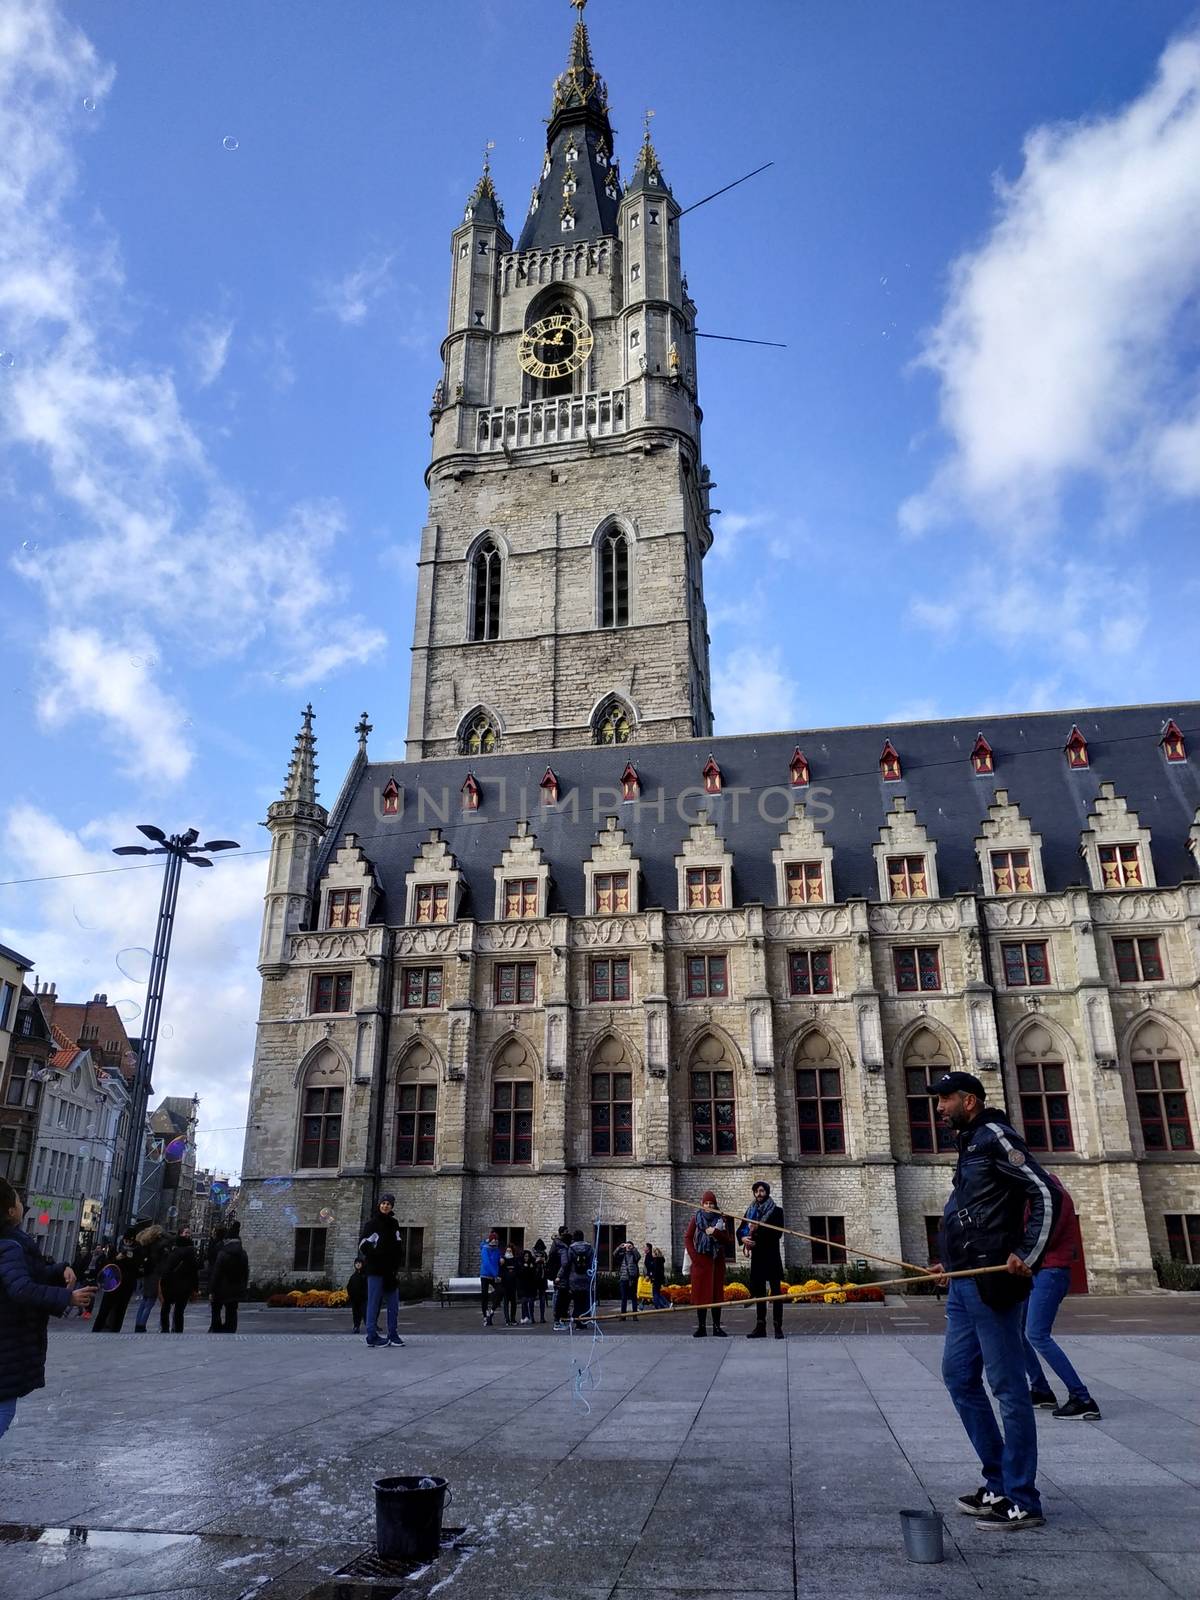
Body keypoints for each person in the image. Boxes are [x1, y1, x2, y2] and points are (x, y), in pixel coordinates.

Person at [931, 1071, 1057, 1532]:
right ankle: (998, 1479)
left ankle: (1023, 1496)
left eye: (945, 1099)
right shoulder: (970, 1144)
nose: (939, 1107)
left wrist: (1027, 1254)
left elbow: (1044, 1193)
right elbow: (970, 1212)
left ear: (969, 1100)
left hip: (994, 1284)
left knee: (1008, 1388)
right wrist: (948, 1261)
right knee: (959, 1377)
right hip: (965, 1282)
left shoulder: (997, 1137)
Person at [0, 1178, 94, 1439]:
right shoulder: (9, 1245)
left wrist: (58, 1269)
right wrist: (67, 1298)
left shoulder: (12, 1243)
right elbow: (21, 1288)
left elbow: (28, 1274)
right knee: (3, 1411)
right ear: (10, 1211)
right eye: (18, 1200)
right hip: (6, 1341)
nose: (22, 1204)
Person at [1021, 1174, 1100, 1420]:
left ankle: (1082, 1398)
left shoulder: (1053, 1196)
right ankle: (1041, 1389)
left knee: (1036, 1334)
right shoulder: (1032, 1196)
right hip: (1034, 1271)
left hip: (1051, 1271)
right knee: (1016, 1329)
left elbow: (1042, 1236)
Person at [738, 1180, 786, 1341]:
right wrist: (744, 1238)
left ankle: (778, 1326)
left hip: (771, 1256)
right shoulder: (750, 1211)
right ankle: (760, 1327)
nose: (759, 1194)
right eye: (756, 1191)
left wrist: (758, 1229)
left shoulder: (777, 1211)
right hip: (757, 1257)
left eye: (762, 1191)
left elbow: (777, 1234)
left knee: (776, 1292)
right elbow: (740, 1231)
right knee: (759, 1293)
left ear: (767, 1192)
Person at [359, 1194, 405, 1348]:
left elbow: (398, 1244)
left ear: (392, 1207)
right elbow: (363, 1245)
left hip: (390, 1270)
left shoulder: (394, 1223)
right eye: (383, 1203)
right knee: (374, 1302)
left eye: (388, 1204)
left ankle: (393, 1333)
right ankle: (371, 1335)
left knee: (393, 1303)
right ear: (379, 1205)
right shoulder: (372, 1224)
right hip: (376, 1269)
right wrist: (377, 1255)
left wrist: (396, 1262)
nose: (385, 1206)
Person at [685, 1191, 728, 1338]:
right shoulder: (696, 1219)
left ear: (715, 1205)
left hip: (717, 1262)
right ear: (702, 1205)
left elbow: (727, 1240)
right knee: (701, 1297)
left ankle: (717, 1327)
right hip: (701, 1262)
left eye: (711, 1203)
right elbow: (688, 1238)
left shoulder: (720, 1220)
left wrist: (715, 1232)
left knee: (716, 1296)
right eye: (706, 1203)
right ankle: (701, 1327)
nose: (709, 1206)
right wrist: (694, 1257)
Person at [91, 1227, 140, 1333]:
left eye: (130, 1241)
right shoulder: (116, 1247)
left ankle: (115, 1331)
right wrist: (116, 1259)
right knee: (104, 1309)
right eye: (126, 1241)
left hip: (127, 1284)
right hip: (113, 1282)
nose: (128, 1243)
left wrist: (130, 1259)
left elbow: (137, 1267)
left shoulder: (137, 1249)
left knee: (121, 1310)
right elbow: (107, 1264)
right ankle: (96, 1330)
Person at [208, 1219, 249, 1333]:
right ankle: (230, 1332)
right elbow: (246, 1273)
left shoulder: (223, 1254)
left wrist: (211, 1290)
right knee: (232, 1312)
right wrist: (243, 1287)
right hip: (236, 1288)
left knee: (216, 1309)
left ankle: (217, 1330)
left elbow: (216, 1273)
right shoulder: (243, 1254)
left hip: (221, 1287)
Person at [159, 1227, 200, 1333]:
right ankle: (178, 1331)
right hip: (184, 1286)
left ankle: (164, 1329)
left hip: (170, 1284)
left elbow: (166, 1269)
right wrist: (195, 1288)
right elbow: (194, 1272)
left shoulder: (172, 1251)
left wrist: (162, 1283)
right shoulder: (191, 1253)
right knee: (179, 1310)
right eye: (186, 1233)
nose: (188, 1235)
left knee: (166, 1306)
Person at [133, 1225, 167, 1331]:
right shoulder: (157, 1245)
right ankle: (142, 1325)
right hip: (155, 1275)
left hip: (147, 1275)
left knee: (145, 1301)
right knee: (150, 1302)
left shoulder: (146, 1244)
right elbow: (170, 1239)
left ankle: (138, 1324)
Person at [565, 1229, 595, 1328]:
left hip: (574, 1277)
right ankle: (584, 1321)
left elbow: (567, 1263)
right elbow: (592, 1262)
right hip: (586, 1276)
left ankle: (577, 1321)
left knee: (577, 1300)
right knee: (585, 1300)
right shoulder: (589, 1247)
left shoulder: (571, 1248)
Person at [549, 1227, 572, 1330]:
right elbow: (565, 1264)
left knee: (561, 1299)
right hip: (562, 1278)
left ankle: (560, 1320)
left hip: (558, 1275)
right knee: (561, 1299)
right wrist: (558, 1276)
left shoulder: (557, 1244)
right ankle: (558, 1322)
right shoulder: (563, 1248)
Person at [479, 1230, 501, 1327]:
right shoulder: (485, 1249)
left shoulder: (497, 1250)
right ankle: (485, 1315)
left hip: (494, 1275)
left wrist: (502, 1259)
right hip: (485, 1275)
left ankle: (492, 1310)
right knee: (484, 1295)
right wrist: (495, 1275)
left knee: (500, 1291)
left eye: (496, 1240)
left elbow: (498, 1260)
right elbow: (487, 1263)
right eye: (493, 1240)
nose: (494, 1242)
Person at [615, 1240, 641, 1318]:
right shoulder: (622, 1254)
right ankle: (623, 1315)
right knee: (624, 1298)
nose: (628, 1247)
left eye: (630, 1246)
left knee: (633, 1297)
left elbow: (638, 1256)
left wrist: (633, 1248)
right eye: (627, 1246)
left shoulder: (634, 1255)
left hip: (632, 1279)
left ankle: (634, 1315)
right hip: (623, 1278)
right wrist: (620, 1247)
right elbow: (614, 1255)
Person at [498, 1243, 520, 1326]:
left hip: (513, 1285)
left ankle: (513, 1319)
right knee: (506, 1303)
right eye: (507, 1251)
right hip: (505, 1284)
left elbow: (517, 1270)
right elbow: (500, 1270)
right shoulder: (503, 1260)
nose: (508, 1252)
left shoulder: (515, 1260)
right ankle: (507, 1320)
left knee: (514, 1303)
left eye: (510, 1251)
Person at [517, 1249, 541, 1325]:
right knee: (524, 1302)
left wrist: (531, 1267)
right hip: (523, 1286)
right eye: (525, 1256)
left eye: (527, 1256)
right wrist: (525, 1268)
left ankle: (531, 1317)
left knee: (530, 1302)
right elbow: (520, 1274)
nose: (526, 1258)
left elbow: (534, 1275)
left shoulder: (532, 1264)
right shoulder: (520, 1264)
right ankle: (524, 1316)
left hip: (531, 1286)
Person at [347, 1257, 368, 1335]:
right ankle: (356, 1326)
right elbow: (349, 1287)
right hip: (355, 1299)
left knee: (365, 1313)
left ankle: (369, 1327)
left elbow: (367, 1287)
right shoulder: (353, 1276)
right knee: (356, 1313)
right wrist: (351, 1295)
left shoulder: (365, 1276)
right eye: (356, 1263)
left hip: (363, 1299)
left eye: (359, 1263)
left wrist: (365, 1295)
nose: (358, 1264)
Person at [531, 1238, 549, 1324]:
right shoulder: (534, 1255)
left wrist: (544, 1262)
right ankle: (535, 1317)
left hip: (540, 1278)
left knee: (539, 1298)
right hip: (536, 1278)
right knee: (535, 1297)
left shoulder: (543, 1255)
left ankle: (539, 1317)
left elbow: (547, 1265)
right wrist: (536, 1262)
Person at [648, 1245, 669, 1310]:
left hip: (656, 1279)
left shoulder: (655, 1261)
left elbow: (655, 1271)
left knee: (655, 1293)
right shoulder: (661, 1260)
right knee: (657, 1292)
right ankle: (664, 1304)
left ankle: (658, 1305)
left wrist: (652, 1277)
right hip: (660, 1279)